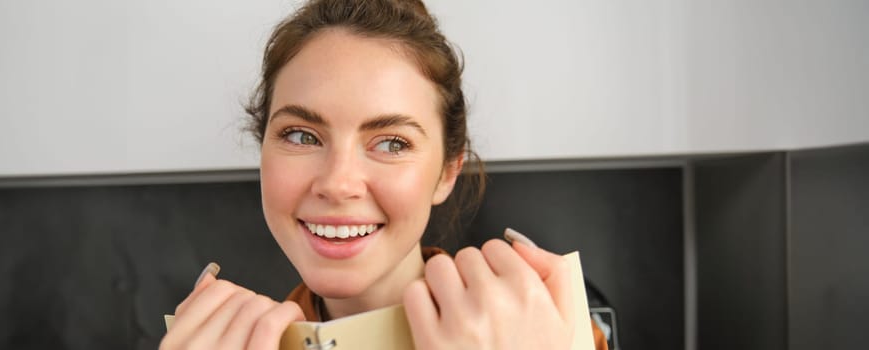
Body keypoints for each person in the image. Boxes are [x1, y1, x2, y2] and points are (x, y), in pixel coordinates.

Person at [161, 0, 608, 348]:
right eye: (301, 136)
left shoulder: (548, 330)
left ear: (447, 173)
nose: (337, 183)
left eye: (392, 143)